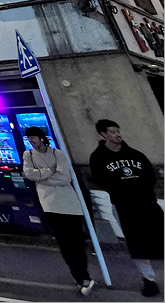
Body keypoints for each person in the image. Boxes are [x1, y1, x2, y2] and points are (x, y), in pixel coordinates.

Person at [90, 119, 163, 298]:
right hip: (125, 206)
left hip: (147, 203)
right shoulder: (98, 157)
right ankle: (149, 280)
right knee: (136, 244)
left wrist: (144, 192)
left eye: (118, 130)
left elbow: (150, 175)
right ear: (103, 134)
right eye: (113, 131)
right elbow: (101, 180)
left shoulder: (135, 154)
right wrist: (124, 191)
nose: (118, 134)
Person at [22, 127, 95, 296]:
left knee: (76, 241)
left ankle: (84, 275)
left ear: (41, 138)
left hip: (70, 204)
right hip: (50, 205)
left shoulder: (58, 154)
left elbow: (65, 177)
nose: (31, 141)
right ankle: (79, 277)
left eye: (34, 137)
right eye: (29, 138)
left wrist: (42, 177)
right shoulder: (29, 155)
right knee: (64, 243)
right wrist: (50, 171)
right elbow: (29, 174)